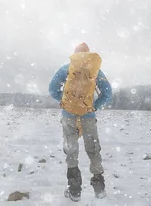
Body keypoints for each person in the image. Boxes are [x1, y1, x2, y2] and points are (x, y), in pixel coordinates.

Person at [48, 42, 113, 201]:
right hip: (88, 115)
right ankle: (99, 189)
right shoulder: (95, 70)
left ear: (75, 53)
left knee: (71, 150)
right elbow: (107, 93)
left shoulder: (67, 68)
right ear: (89, 54)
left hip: (69, 115)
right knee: (93, 150)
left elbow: (52, 88)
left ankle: (75, 191)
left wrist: (64, 101)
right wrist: (94, 106)